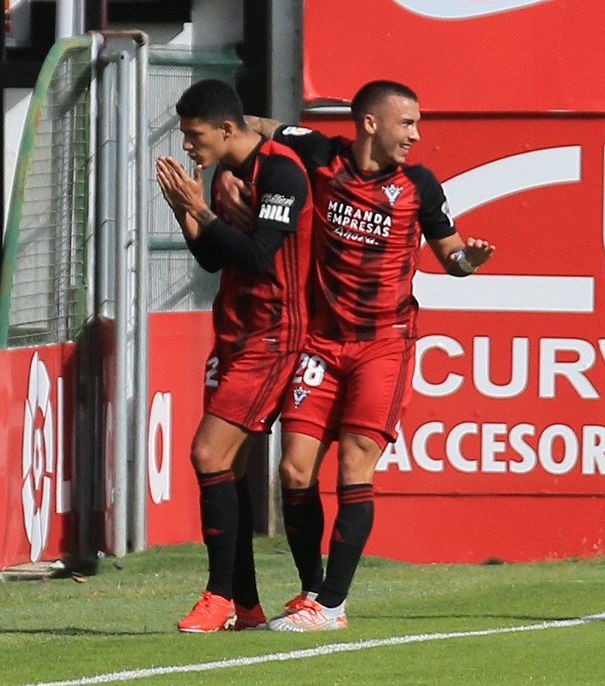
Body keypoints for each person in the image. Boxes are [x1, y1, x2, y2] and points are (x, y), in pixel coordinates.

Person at [220, 79, 495, 632]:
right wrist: (228, 169)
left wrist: (471, 259)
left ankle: (333, 604)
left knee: (353, 463)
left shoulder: (419, 185)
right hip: (321, 342)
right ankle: (310, 591)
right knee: (295, 470)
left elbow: (452, 255)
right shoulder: (320, 155)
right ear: (370, 123)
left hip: (383, 344)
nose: (416, 135)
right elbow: (254, 128)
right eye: (408, 123)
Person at [155, 79, 314, 632]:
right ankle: (245, 605)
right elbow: (213, 260)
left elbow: (262, 256)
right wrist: (186, 213)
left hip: (273, 336)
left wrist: (206, 211)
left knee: (207, 455)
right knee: (229, 467)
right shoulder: (227, 175)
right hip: (234, 333)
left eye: (194, 135)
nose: (187, 146)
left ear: (227, 128)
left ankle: (219, 596)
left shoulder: (282, 172)